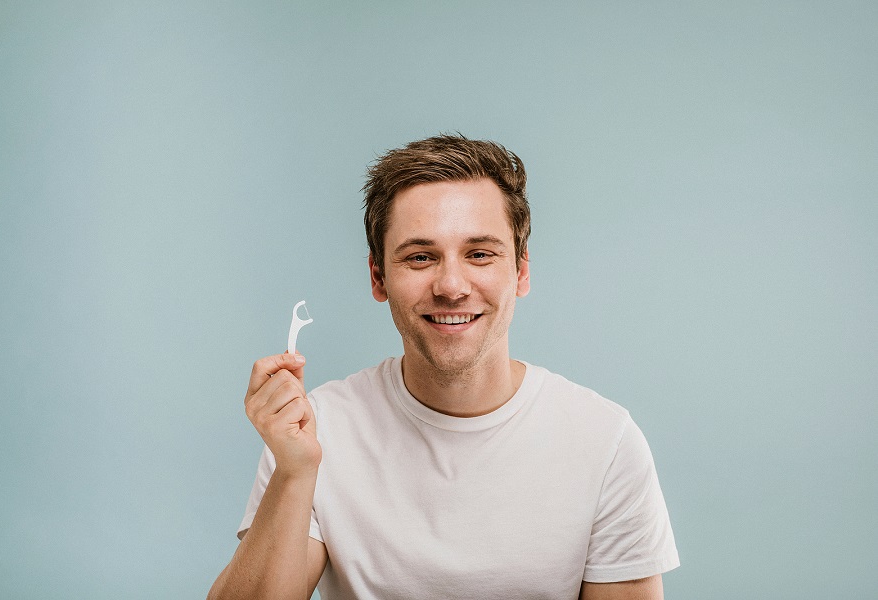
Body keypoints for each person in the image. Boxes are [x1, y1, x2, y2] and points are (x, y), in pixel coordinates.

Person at [208, 134, 679, 600]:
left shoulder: (606, 442)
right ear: (379, 277)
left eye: (479, 254)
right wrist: (294, 472)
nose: (451, 286)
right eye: (420, 257)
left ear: (520, 271)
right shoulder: (315, 433)